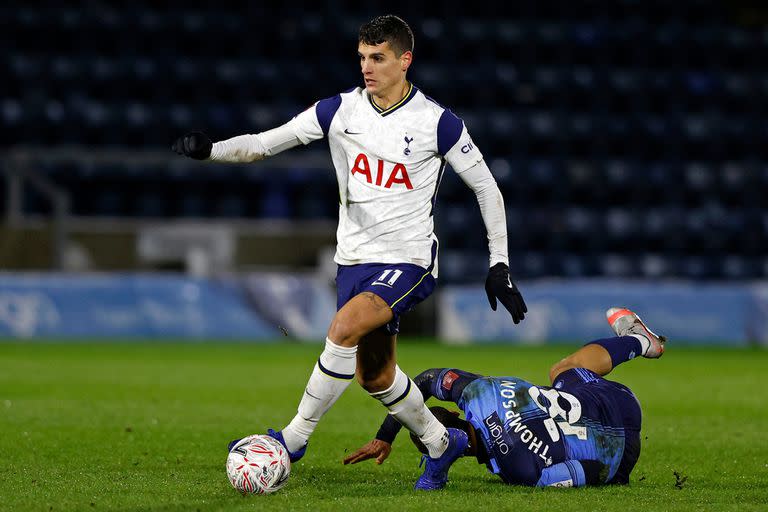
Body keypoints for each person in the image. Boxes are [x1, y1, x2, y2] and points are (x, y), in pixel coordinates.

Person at [171, 14, 527, 489]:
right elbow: (261, 145)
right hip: (353, 260)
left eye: (378, 57)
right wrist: (210, 150)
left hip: (409, 260)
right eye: (362, 57)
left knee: (343, 328)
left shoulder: (436, 123)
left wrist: (499, 263)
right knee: (375, 376)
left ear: (405, 60)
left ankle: (293, 440)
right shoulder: (338, 111)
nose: (367, 67)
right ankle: (443, 445)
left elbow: (488, 189)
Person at [343, 307, 667, 489]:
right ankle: (640, 341)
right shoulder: (478, 395)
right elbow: (427, 380)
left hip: (621, 453)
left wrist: (618, 473)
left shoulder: (516, 469)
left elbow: (589, 471)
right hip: (619, 401)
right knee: (563, 370)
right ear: (453, 412)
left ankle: (640, 340)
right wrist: (386, 434)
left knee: (563, 390)